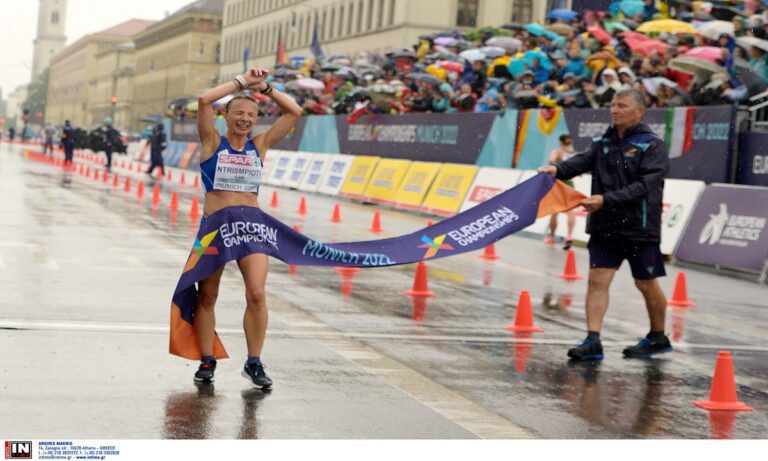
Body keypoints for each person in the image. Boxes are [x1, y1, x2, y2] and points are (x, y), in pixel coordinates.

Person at [538, 88, 671, 361]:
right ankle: (592, 340)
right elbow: (580, 162)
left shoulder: (652, 146)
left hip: (639, 227)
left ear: (640, 111)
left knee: (646, 283)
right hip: (605, 226)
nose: (615, 110)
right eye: (613, 105)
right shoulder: (602, 142)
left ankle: (658, 336)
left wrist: (606, 199)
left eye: (622, 105)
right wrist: (557, 170)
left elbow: (645, 186)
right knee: (597, 281)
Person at [192, 67, 301, 387]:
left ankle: (254, 362)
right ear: (225, 115)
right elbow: (203, 100)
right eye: (237, 112)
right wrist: (242, 82)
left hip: (251, 228)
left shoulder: (260, 144)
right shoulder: (212, 141)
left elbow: (293, 110)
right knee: (207, 297)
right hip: (215, 228)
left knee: (256, 294)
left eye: (251, 114)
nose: (244, 118)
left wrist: (265, 88)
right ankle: (207, 359)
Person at [544, 134, 577, 249]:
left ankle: (551, 237)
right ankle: (569, 235)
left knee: (555, 210)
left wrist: (558, 165)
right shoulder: (574, 154)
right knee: (570, 211)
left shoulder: (557, 152)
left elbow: (551, 161)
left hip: (559, 183)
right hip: (570, 184)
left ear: (560, 142)